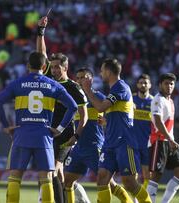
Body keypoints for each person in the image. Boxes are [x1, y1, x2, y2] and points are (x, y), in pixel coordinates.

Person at [0, 52, 78, 203]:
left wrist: (7, 126)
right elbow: (73, 107)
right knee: (46, 179)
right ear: (44, 67)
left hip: (22, 134)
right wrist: (59, 128)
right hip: (44, 136)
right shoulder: (54, 85)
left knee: (15, 178)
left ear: (27, 66)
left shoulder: (17, 83)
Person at [81, 59, 151, 203]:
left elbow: (100, 107)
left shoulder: (121, 87)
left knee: (130, 183)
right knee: (102, 178)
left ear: (108, 71)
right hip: (110, 143)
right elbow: (120, 114)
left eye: (102, 70)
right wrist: (107, 122)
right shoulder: (114, 90)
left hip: (124, 142)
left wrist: (87, 90)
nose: (101, 73)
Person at [37, 16, 88, 203]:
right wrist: (41, 31)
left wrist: (77, 136)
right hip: (48, 132)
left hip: (66, 134)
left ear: (66, 67)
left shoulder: (74, 88)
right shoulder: (50, 79)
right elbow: (41, 53)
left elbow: (84, 116)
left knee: (55, 168)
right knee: (52, 171)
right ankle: (77, 196)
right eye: (53, 67)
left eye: (58, 67)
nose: (55, 70)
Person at [64, 68, 133, 203]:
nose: (80, 80)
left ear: (91, 79)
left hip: (95, 147)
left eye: (83, 77)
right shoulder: (73, 99)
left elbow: (116, 116)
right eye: (78, 78)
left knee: (109, 185)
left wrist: (106, 122)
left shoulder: (99, 97)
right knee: (67, 181)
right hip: (78, 149)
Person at [146, 73, 179, 203]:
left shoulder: (170, 101)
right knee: (156, 176)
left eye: (171, 84)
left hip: (169, 142)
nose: (169, 86)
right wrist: (170, 139)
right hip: (159, 141)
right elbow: (158, 122)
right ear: (160, 85)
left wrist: (170, 140)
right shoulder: (158, 99)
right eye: (166, 83)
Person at [132, 74, 153, 189]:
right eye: (141, 82)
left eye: (145, 83)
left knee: (147, 175)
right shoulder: (131, 100)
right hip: (133, 143)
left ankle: (144, 197)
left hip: (148, 144)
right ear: (137, 85)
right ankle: (135, 200)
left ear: (150, 85)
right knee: (133, 175)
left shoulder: (154, 102)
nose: (143, 85)